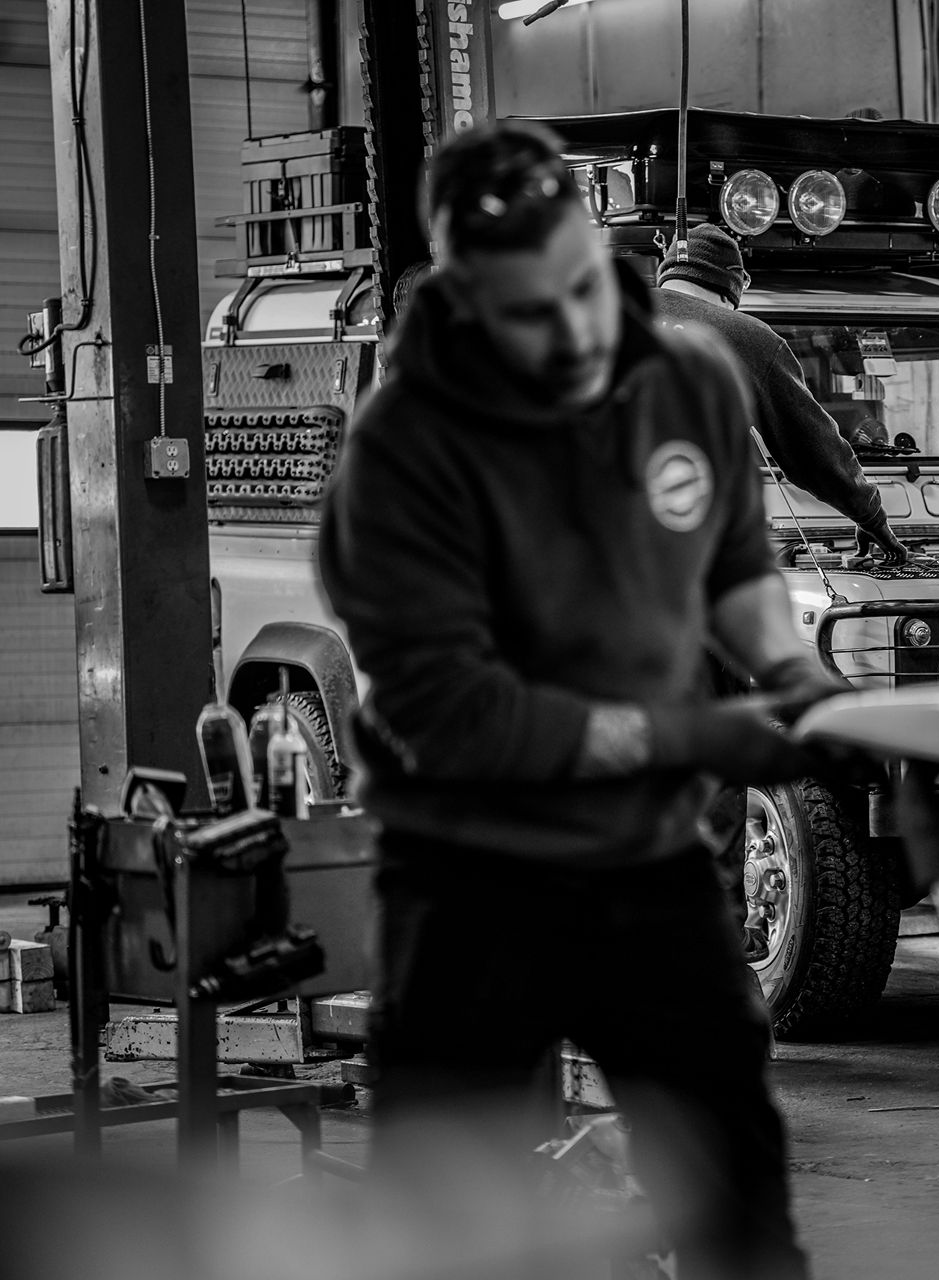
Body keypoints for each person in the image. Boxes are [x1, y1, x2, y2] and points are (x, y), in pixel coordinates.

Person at [318, 120, 838, 1280]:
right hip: (468, 878)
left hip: (646, 869)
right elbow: (459, 713)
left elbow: (734, 565)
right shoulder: (403, 452)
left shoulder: (687, 380)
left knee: (738, 1198)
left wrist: (794, 668)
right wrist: (699, 732)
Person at [652, 223, 910, 563]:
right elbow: (814, 449)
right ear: (729, 290)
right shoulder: (746, 336)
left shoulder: (608, 311)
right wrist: (870, 516)